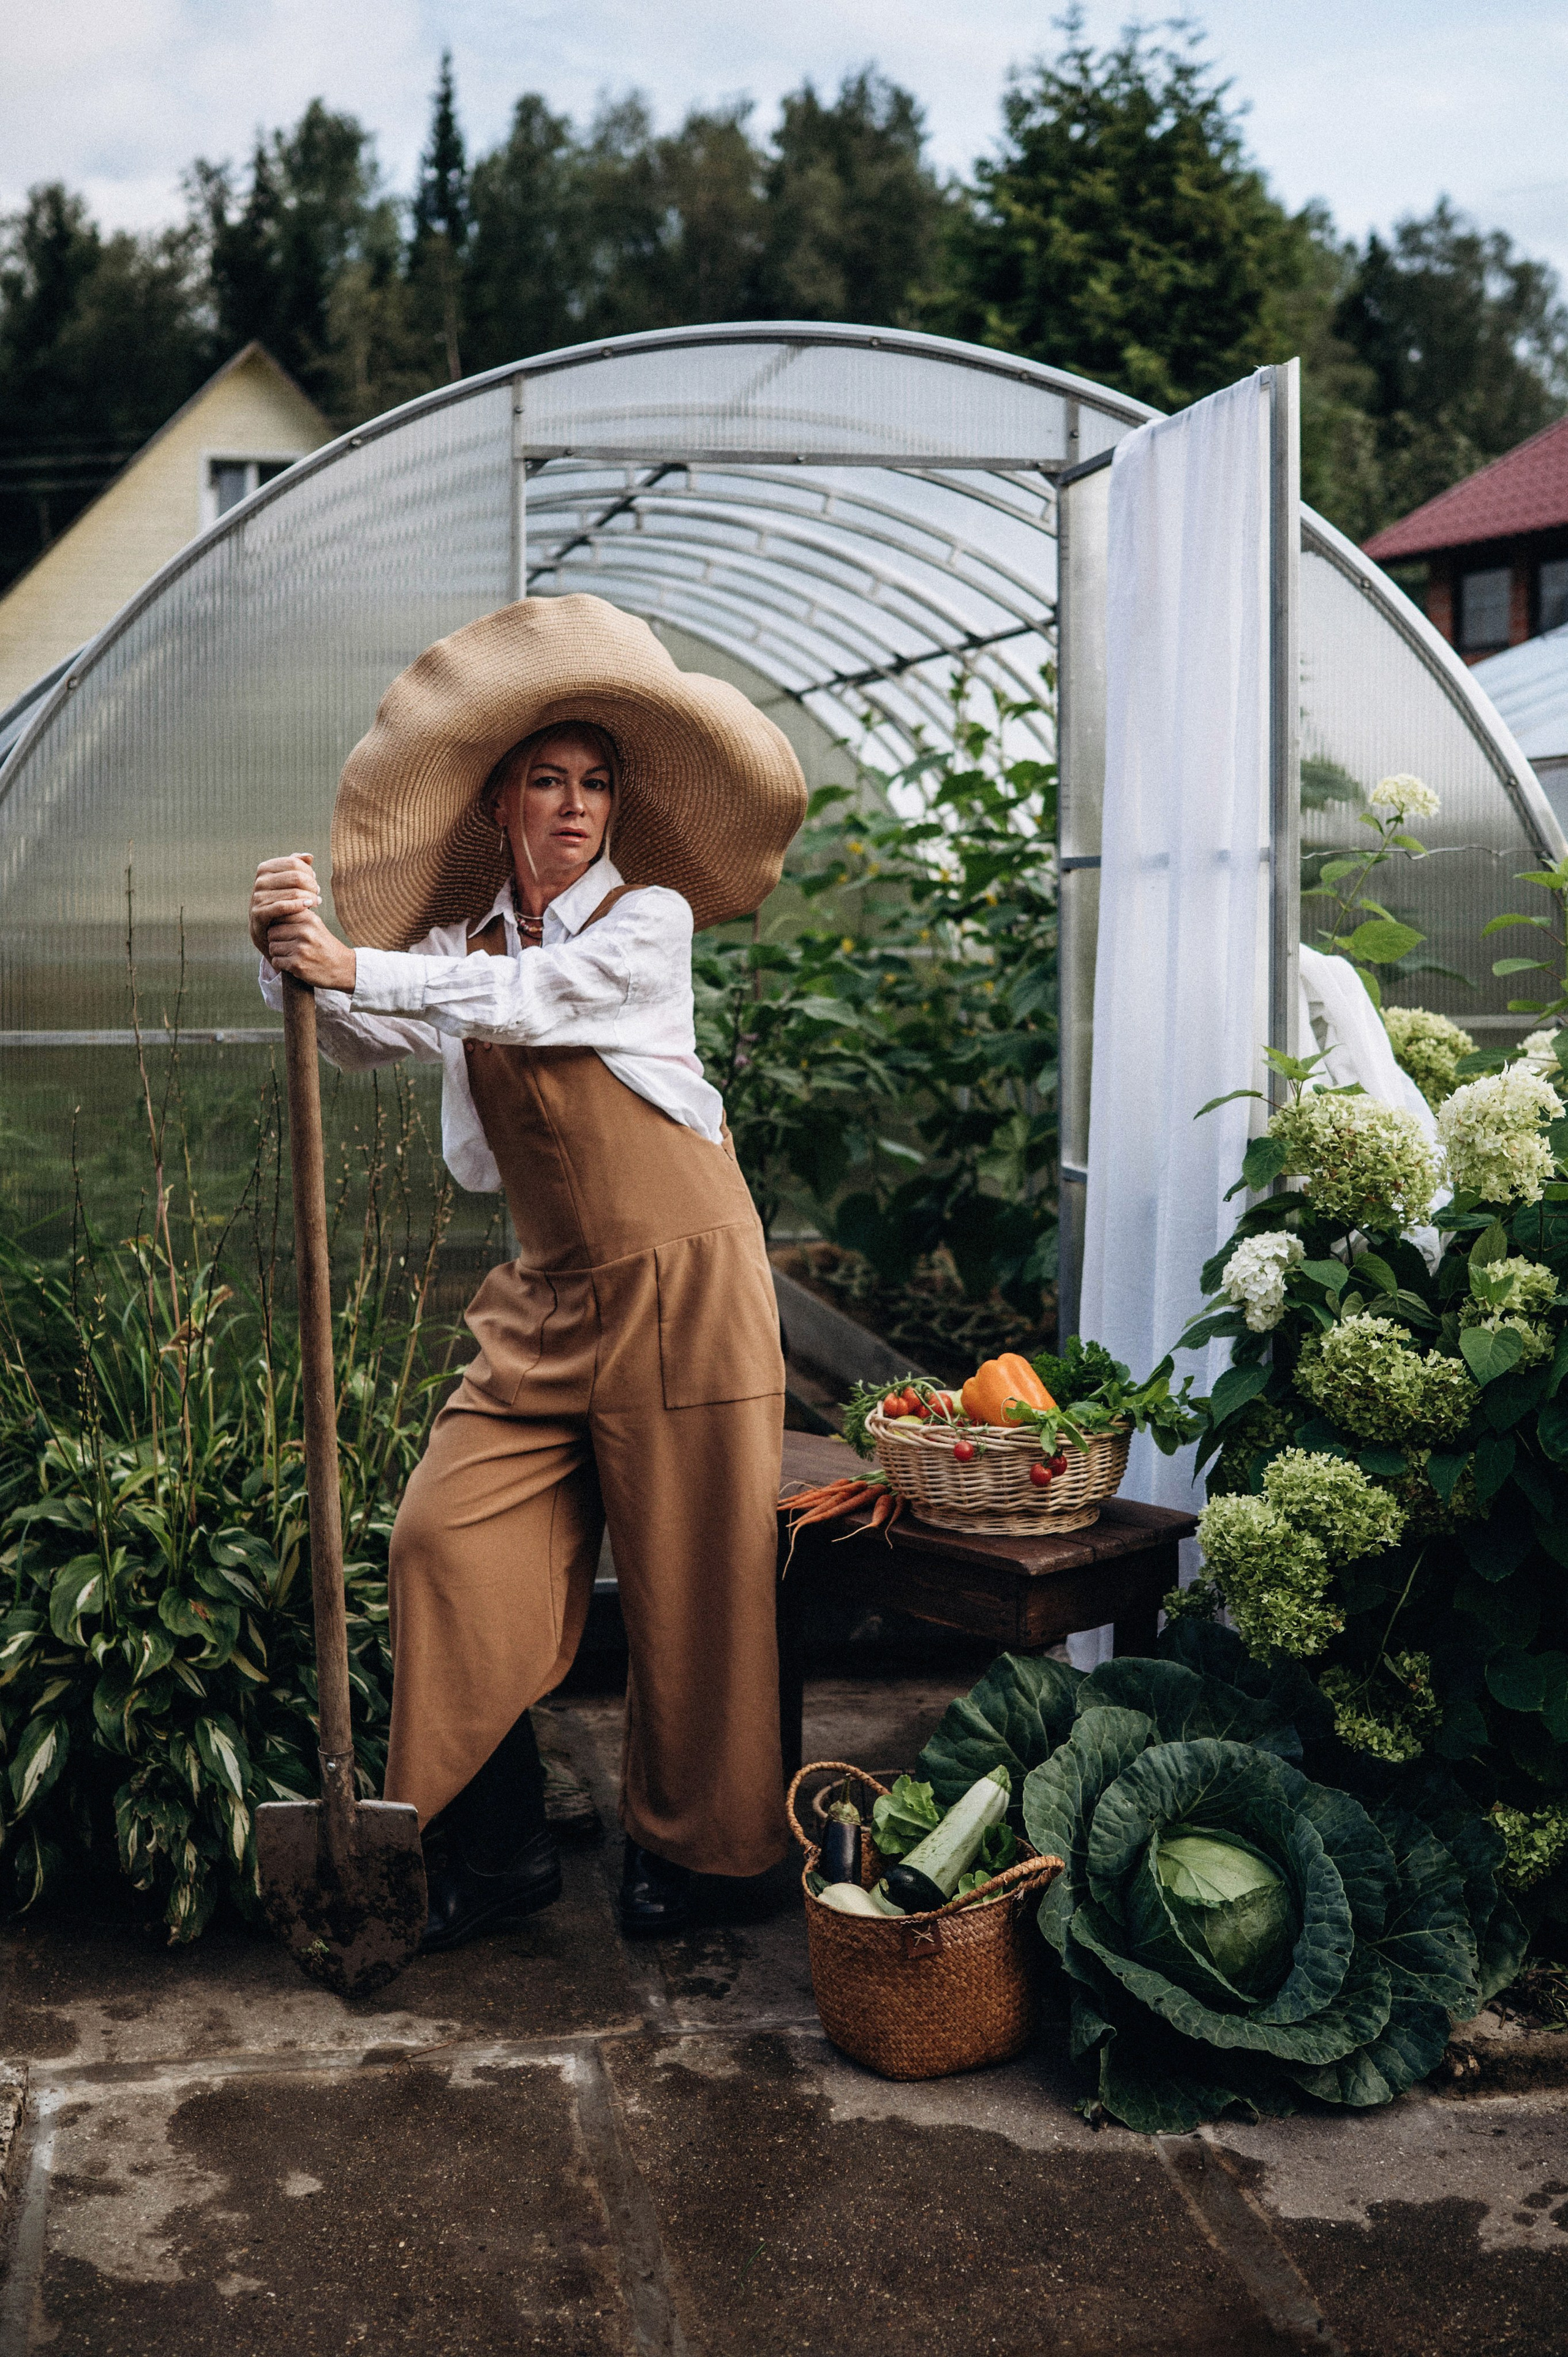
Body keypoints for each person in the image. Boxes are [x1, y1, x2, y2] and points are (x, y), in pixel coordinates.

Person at [248, 594, 807, 1948]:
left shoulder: (647, 924)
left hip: (684, 1282)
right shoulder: (460, 946)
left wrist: (353, 963)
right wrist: (285, 961)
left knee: (694, 1582)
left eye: (596, 783)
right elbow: (355, 1031)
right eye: (547, 780)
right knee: (440, 1539)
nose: (573, 807)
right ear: (499, 798)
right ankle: (491, 1852)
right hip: (549, 1301)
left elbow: (533, 1005)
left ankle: (704, 1854)